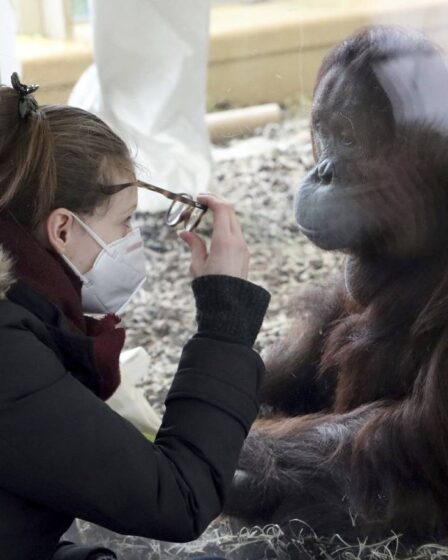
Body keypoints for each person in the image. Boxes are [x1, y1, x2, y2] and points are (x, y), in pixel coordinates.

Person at [0, 74, 271, 560]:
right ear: (62, 229)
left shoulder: (20, 315)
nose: (132, 240)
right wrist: (224, 324)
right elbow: (179, 499)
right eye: (124, 221)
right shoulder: (8, 353)